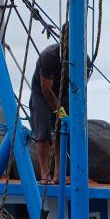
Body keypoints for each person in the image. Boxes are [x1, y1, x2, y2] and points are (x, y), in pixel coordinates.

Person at [29, 28, 70, 183]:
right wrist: (61, 113)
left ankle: (59, 174)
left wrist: (65, 117)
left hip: (65, 94)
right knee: (43, 132)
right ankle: (45, 174)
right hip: (41, 94)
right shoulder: (49, 56)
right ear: (62, 38)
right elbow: (46, 90)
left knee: (62, 131)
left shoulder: (84, 60)